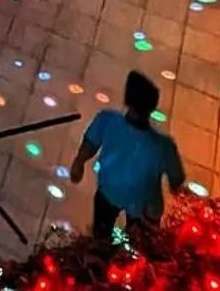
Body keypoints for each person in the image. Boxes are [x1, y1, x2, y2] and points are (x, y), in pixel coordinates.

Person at [70, 71, 186, 243]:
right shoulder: (164, 146)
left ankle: (102, 250)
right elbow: (176, 181)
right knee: (140, 245)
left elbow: (89, 145)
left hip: (109, 192)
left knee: (101, 235)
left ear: (127, 100)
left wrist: (78, 164)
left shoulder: (107, 121)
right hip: (145, 206)